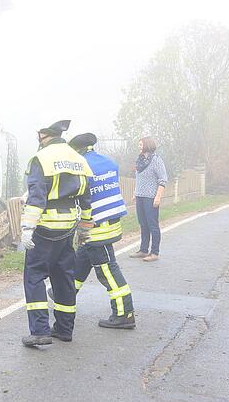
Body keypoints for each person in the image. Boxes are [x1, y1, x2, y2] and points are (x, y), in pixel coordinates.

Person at [19, 120, 93, 346]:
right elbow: (86, 198)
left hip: (45, 228)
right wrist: (85, 228)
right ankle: (64, 329)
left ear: (44, 134)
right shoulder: (78, 159)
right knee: (64, 277)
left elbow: (36, 198)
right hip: (68, 227)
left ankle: (40, 331)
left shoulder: (41, 159)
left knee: (34, 276)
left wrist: (27, 228)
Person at [69, 133, 136, 329]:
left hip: (96, 225)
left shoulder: (80, 166)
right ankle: (64, 294)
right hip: (111, 221)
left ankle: (124, 313)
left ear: (77, 150)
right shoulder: (108, 162)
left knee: (107, 270)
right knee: (81, 259)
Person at [132, 136, 168, 262]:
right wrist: (135, 193)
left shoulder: (156, 160)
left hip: (151, 197)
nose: (139, 147)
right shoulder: (140, 160)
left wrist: (158, 197)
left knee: (152, 225)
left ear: (147, 145)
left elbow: (163, 180)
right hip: (140, 196)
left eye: (141, 145)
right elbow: (139, 178)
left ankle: (154, 252)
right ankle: (143, 250)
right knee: (143, 224)